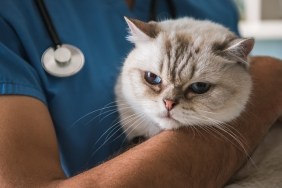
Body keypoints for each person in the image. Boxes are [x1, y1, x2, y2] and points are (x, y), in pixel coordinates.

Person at [0, 0, 281, 187]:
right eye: (153, 79)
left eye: (198, 87)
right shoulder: (10, 13)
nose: (169, 101)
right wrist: (266, 89)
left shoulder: (213, 5)